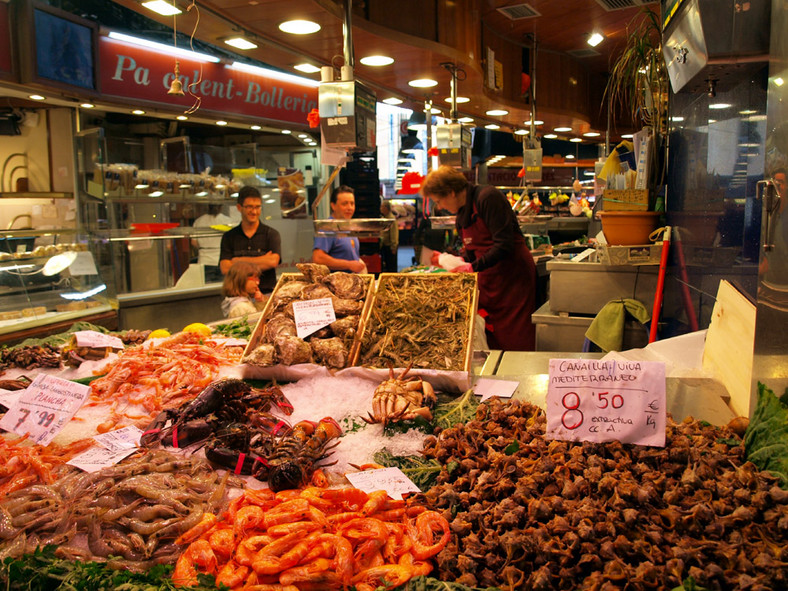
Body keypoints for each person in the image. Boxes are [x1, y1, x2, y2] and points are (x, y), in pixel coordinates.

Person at [421, 165, 537, 351]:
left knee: (516, 336)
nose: (440, 206)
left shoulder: (487, 198)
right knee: (492, 335)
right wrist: (454, 262)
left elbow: (504, 244)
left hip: (513, 278)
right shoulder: (462, 214)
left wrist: (471, 267)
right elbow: (471, 250)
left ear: (451, 192)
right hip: (489, 280)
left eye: (439, 200)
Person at [219, 186, 281, 294]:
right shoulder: (229, 236)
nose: (254, 211)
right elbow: (225, 268)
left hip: (266, 294)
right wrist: (262, 260)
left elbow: (273, 261)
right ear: (239, 207)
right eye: (249, 207)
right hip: (238, 296)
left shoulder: (271, 234)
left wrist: (238, 261)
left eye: (257, 207)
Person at [312, 185, 367, 273]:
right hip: (336, 283)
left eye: (352, 203)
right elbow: (318, 258)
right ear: (333, 206)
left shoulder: (348, 226)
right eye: (344, 204)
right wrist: (349, 265)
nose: (349, 208)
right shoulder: (327, 227)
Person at [192, 204, 232, 283]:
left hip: (204, 261)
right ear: (221, 207)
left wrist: (203, 248)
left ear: (207, 207)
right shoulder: (228, 221)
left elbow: (193, 242)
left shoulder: (199, 221)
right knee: (221, 289)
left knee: (206, 291)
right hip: (222, 261)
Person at [379, 200, 399, 273]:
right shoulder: (385, 218)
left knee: (391, 266)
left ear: (386, 208)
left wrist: (393, 247)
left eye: (382, 206)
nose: (380, 208)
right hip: (385, 246)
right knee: (387, 266)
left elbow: (394, 234)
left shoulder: (391, 219)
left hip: (390, 247)